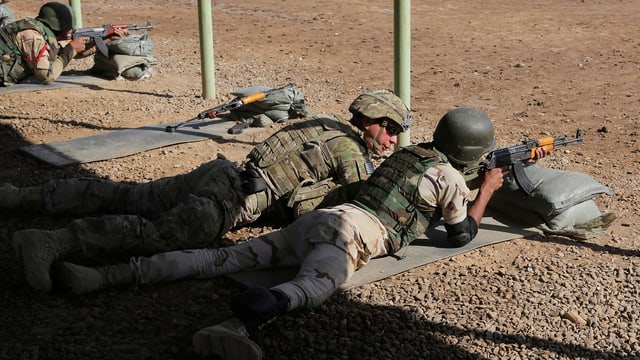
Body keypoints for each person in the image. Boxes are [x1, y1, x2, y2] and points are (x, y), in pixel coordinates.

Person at [47, 107, 548, 360]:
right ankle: (234, 327)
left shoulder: (406, 154)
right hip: (350, 235)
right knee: (311, 289)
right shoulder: (451, 179)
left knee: (218, 260)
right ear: (473, 152)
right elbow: (459, 234)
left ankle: (104, 276)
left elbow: (421, 189)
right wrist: (486, 190)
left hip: (318, 221)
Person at [7, 89, 412, 292]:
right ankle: (51, 241)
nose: (392, 140)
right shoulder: (350, 150)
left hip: (221, 174)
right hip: (233, 198)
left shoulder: (326, 125)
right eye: (390, 129)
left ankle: (20, 197)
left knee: (129, 194)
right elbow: (366, 204)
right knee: (163, 234)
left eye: (397, 134)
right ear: (370, 120)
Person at [0, 2, 124, 86]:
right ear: (57, 27)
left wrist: (108, 39)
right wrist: (71, 48)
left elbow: (74, 52)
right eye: (68, 30)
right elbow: (47, 76)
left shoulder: (47, 32)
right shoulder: (32, 36)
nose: (70, 33)